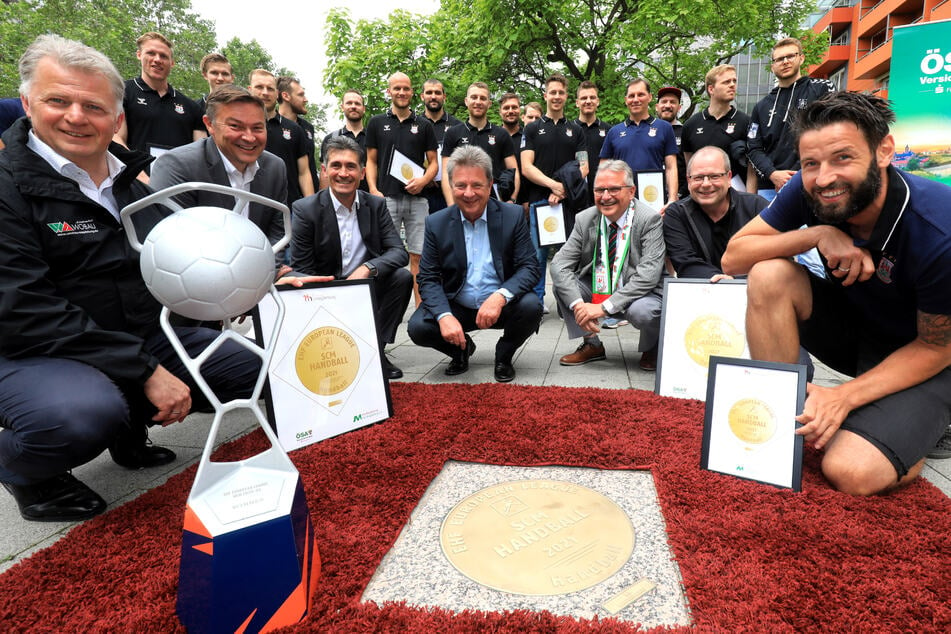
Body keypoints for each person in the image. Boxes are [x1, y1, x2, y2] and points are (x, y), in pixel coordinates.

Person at [0, 35, 261, 522]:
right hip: (35, 353)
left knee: (255, 367)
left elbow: (186, 259)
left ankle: (129, 427)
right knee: (78, 416)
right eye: (59, 100)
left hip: (137, 337)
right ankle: (26, 471)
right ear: (29, 103)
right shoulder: (8, 186)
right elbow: (22, 308)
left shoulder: (132, 182)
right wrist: (144, 372)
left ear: (116, 118)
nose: (77, 116)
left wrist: (256, 280)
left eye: (94, 106)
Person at [721, 92, 951, 495]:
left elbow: (937, 347)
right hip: (859, 331)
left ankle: (925, 428)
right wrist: (817, 234)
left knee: (851, 471)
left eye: (843, 158)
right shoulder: (813, 190)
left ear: (884, 151)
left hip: (928, 356)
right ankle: (783, 408)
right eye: (811, 163)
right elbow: (734, 258)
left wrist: (843, 397)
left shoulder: (939, 230)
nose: (824, 178)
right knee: (769, 273)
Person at [408, 146, 541, 383]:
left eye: (477, 185)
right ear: (450, 185)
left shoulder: (512, 216)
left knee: (532, 306)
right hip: (458, 304)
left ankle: (504, 355)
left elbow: (529, 267)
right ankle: (460, 349)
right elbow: (428, 277)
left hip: (500, 307)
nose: (469, 193)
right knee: (419, 326)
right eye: (461, 185)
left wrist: (500, 296)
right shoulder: (436, 223)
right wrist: (443, 316)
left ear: (490, 185)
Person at [290, 135, 412, 380]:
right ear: (324, 170)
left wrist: (368, 267)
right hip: (325, 287)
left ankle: (376, 350)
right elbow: (301, 268)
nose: (343, 173)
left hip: (364, 284)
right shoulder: (305, 209)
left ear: (363, 172)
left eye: (351, 166)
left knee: (402, 277)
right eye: (336, 166)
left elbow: (399, 252)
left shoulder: (375, 206)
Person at [550, 160, 666, 371]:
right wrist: (579, 307)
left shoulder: (649, 220)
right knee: (562, 285)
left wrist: (603, 308)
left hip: (640, 294)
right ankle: (591, 343)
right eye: (599, 190)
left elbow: (648, 275)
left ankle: (652, 346)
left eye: (613, 189)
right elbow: (559, 264)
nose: (605, 196)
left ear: (631, 191)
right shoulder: (585, 219)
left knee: (644, 311)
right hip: (598, 288)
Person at [150, 85, 287, 257]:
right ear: (209, 125)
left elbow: (277, 235)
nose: (249, 137)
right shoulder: (177, 166)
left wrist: (268, 273)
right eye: (236, 126)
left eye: (258, 128)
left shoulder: (275, 167)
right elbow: (170, 245)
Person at [365, 72, 439, 306]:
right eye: (397, 88)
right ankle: (385, 307)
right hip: (387, 198)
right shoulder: (376, 122)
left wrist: (424, 181)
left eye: (406, 88)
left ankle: (420, 309)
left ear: (412, 92)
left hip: (418, 199)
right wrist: (374, 190)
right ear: (389, 91)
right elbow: (371, 161)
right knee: (386, 256)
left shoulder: (424, 125)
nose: (401, 92)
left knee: (418, 255)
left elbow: (434, 163)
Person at [520, 74, 588, 309]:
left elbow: (584, 166)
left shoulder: (576, 130)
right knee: (537, 258)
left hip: (566, 204)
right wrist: (553, 185)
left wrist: (561, 192)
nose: (557, 96)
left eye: (561, 92)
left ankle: (566, 305)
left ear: (566, 96)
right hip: (540, 203)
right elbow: (526, 167)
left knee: (567, 258)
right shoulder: (532, 129)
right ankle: (536, 305)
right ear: (545, 95)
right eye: (553, 92)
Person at [746, 37, 835, 200]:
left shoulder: (822, 89)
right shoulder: (761, 106)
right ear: (772, 66)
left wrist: (801, 175)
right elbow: (753, 148)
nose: (785, 62)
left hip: (812, 184)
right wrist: (772, 174)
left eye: (790, 56)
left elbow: (832, 134)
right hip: (769, 188)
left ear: (801, 58)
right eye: (779, 59)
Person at [663, 146, 766, 280]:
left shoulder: (756, 208)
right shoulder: (677, 214)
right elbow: (685, 263)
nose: (706, 184)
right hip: (700, 292)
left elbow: (773, 258)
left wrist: (735, 282)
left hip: (752, 290)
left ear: (729, 178)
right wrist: (720, 281)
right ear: (688, 181)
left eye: (714, 176)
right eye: (698, 177)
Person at [114, 32, 205, 166]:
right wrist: (139, 177)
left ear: (172, 63)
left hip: (178, 183)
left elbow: (201, 155)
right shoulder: (121, 92)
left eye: (163, 56)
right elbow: (116, 139)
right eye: (151, 53)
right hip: (134, 181)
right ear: (139, 55)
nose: (157, 59)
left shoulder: (192, 107)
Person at [600, 79, 678, 209]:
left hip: (655, 200)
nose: (635, 99)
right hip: (622, 202)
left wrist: (672, 199)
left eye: (640, 94)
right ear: (626, 100)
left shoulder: (664, 128)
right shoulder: (614, 132)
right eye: (631, 96)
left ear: (650, 97)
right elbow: (603, 169)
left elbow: (671, 167)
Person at [441, 82, 519, 205]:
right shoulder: (453, 133)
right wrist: (452, 206)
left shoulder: (502, 134)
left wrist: (512, 199)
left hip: (495, 201)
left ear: (489, 104)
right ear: (466, 101)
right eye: (474, 97)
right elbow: (445, 174)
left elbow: (514, 171)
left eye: (483, 98)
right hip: (463, 200)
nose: (478, 102)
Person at [248, 69, 314, 206]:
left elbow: (304, 173)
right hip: (248, 204)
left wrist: (310, 207)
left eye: (270, 89)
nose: (265, 93)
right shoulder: (241, 128)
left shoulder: (295, 129)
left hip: (288, 207)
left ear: (277, 93)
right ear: (249, 89)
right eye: (259, 87)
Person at [681, 65, 752, 192]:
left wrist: (751, 201)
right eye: (726, 82)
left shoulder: (746, 122)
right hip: (702, 195)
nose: (732, 85)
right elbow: (689, 167)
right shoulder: (691, 125)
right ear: (711, 89)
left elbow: (753, 169)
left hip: (736, 197)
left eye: (734, 81)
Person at [420, 78, 463, 214]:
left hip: (451, 191)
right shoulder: (414, 124)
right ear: (422, 96)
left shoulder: (457, 126)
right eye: (429, 92)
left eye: (437, 93)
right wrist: (425, 177)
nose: (433, 96)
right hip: (421, 192)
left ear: (444, 97)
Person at [573, 80, 612, 209]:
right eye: (584, 98)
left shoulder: (609, 130)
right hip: (575, 195)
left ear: (598, 101)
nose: (588, 101)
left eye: (592, 97)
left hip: (604, 195)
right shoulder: (569, 130)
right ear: (577, 103)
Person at [319, 89, 367, 191]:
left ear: (364, 109)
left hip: (371, 201)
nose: (353, 106)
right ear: (342, 107)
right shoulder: (331, 138)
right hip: (339, 199)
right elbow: (325, 175)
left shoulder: (373, 138)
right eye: (349, 103)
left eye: (357, 104)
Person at [277, 76, 319, 191]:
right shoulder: (268, 125)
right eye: (300, 95)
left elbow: (309, 168)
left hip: (306, 200)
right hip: (280, 198)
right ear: (285, 96)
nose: (305, 99)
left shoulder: (308, 128)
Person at [654, 86, 687, 199]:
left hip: (680, 198)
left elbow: (691, 167)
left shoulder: (686, 132)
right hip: (650, 195)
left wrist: (680, 193)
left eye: (673, 102)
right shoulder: (646, 132)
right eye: (664, 102)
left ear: (679, 107)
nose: (668, 105)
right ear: (657, 107)